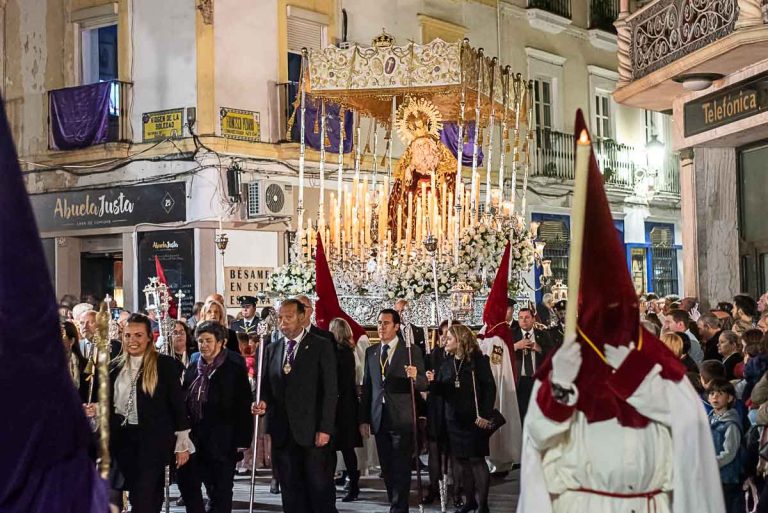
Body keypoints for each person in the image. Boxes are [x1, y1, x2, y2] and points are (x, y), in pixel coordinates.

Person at [253, 298, 338, 513]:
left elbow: (329, 391)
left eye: (288, 317)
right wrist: (261, 402)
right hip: (283, 431)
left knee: (318, 488)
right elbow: (265, 388)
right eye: (280, 318)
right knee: (290, 489)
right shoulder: (271, 349)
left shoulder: (321, 346)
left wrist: (325, 428)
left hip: (312, 431)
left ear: (302, 317)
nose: (283, 323)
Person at [109, 313, 193, 513]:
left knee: (146, 501)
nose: (132, 341)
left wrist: (182, 444)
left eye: (138, 335)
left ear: (149, 338)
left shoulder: (164, 365)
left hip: (152, 443)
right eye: (128, 335)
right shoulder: (114, 367)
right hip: (121, 442)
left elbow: (178, 406)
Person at [177, 321, 253, 513]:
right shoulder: (193, 368)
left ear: (221, 342)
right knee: (191, 486)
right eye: (201, 341)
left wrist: (242, 439)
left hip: (223, 439)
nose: (204, 345)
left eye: (208, 341)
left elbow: (243, 405)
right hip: (196, 439)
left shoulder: (234, 368)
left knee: (221, 491)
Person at [360, 308, 428, 513]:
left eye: (386, 323)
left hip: (402, 417)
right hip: (379, 418)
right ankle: (394, 502)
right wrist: (364, 419)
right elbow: (368, 387)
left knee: (401, 466)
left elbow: (424, 384)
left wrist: (415, 376)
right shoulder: (371, 352)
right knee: (387, 467)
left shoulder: (410, 351)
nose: (381, 327)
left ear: (397, 326)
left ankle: (399, 508)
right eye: (379, 323)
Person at [427, 324, 496, 513]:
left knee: (476, 460)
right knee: (462, 461)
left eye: (449, 338)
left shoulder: (477, 361)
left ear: (460, 340)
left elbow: (489, 388)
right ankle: (469, 501)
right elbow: (444, 390)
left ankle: (482, 505)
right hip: (453, 419)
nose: (444, 341)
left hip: (474, 419)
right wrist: (432, 382)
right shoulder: (447, 362)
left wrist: (485, 414)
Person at [329, 317, 364, 502]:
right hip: (348, 405)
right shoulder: (349, 351)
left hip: (339, 406)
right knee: (347, 449)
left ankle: (342, 485)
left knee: (336, 448)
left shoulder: (338, 352)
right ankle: (353, 484)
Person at [423, 319, 453, 505]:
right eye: (442, 334)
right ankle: (434, 486)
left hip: (452, 406)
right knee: (434, 449)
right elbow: (424, 377)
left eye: (448, 334)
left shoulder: (460, 356)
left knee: (453, 451)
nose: (444, 338)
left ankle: (456, 490)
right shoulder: (435, 354)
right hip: (435, 406)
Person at [707, 379, 744, 513]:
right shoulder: (709, 419)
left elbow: (729, 452)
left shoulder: (731, 423)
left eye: (720, 393)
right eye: (711, 393)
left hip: (726, 477)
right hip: (712, 475)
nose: (715, 397)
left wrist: (711, 464)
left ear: (729, 398)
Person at [512, 307, 553, 421]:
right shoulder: (511, 335)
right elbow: (503, 352)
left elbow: (552, 355)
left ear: (533, 319)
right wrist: (515, 346)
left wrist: (539, 348)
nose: (523, 320)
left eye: (527, 317)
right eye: (520, 318)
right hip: (519, 381)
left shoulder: (543, 335)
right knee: (521, 414)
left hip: (537, 380)